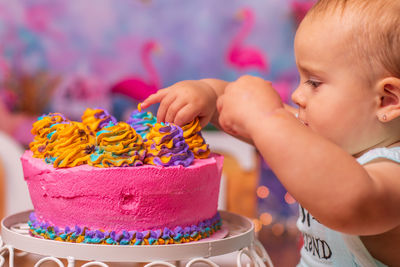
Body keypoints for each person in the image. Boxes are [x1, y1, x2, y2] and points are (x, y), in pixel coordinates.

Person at [141, 0, 400, 266]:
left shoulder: (391, 174)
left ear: (386, 100)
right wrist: (209, 94)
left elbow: (351, 203)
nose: (298, 95)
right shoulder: (325, 138)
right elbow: (262, 127)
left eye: (314, 82)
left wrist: (266, 117)